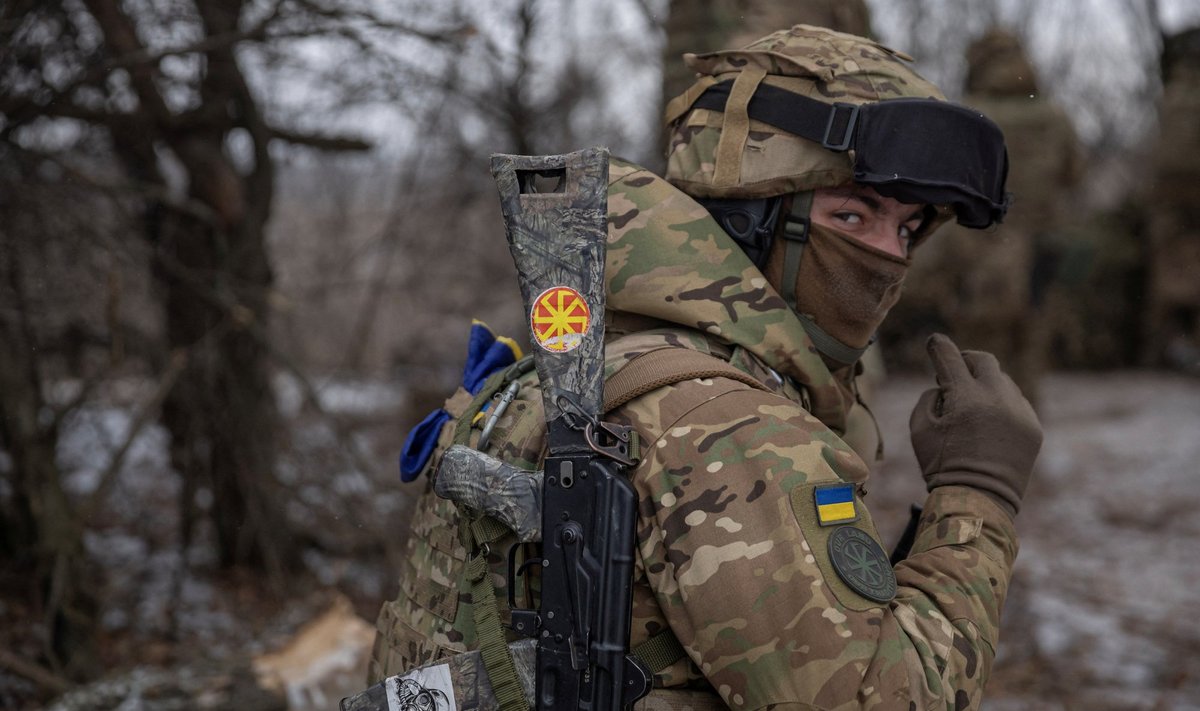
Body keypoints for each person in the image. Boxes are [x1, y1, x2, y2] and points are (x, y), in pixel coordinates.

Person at [370, 24, 1042, 710]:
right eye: (853, 214)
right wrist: (978, 490)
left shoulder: (588, 362)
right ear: (755, 214)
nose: (888, 255)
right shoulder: (725, 423)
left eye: (906, 228)